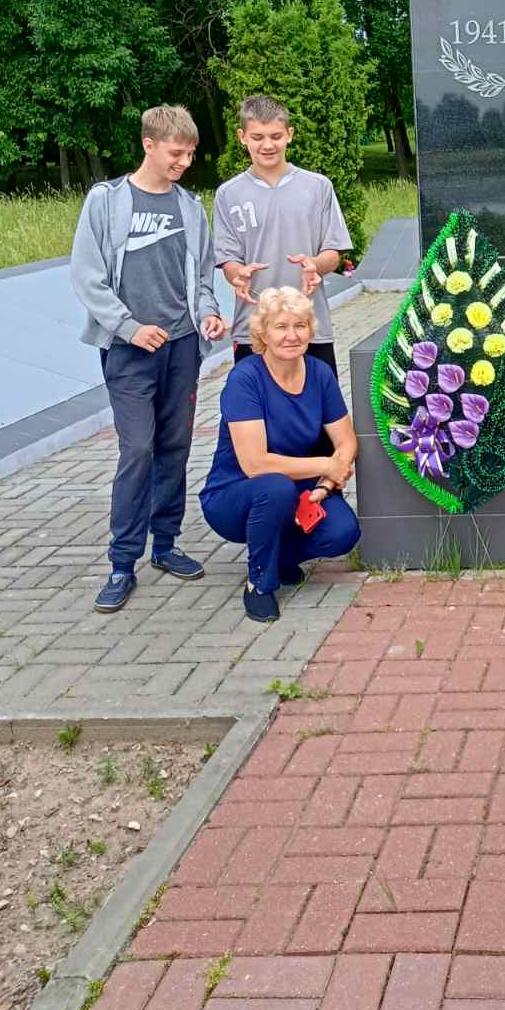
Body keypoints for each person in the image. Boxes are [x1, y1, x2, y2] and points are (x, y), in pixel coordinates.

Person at [70, 105, 226, 613]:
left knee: (175, 446)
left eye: (191, 154)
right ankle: (122, 562)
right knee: (138, 449)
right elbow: (87, 276)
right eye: (177, 152)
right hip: (128, 350)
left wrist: (208, 314)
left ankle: (166, 544)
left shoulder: (190, 207)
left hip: (181, 346)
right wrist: (129, 327)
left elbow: (202, 278)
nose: (184, 162)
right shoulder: (107, 201)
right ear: (149, 145)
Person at [200, 286, 360, 621]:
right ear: (263, 334)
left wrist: (325, 485)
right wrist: (326, 464)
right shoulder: (245, 379)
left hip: (299, 487)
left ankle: (280, 556)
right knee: (275, 487)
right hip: (236, 493)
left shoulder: (319, 373)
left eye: (300, 325)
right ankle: (259, 583)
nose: (292, 335)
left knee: (343, 533)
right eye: (281, 327)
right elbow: (255, 464)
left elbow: (347, 442)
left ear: (310, 330)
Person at [213, 96, 352, 376]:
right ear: (242, 137)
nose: (267, 145)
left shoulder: (318, 187)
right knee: (255, 405)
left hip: (309, 328)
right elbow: (228, 262)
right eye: (258, 137)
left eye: (275, 136)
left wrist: (315, 265)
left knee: (318, 404)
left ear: (289, 134)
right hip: (253, 331)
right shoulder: (228, 194)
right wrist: (238, 274)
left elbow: (333, 254)